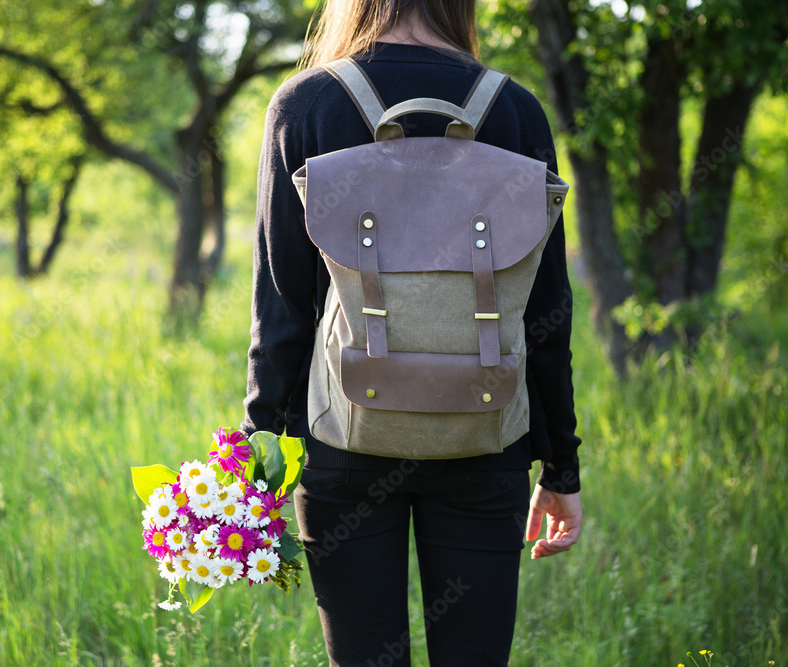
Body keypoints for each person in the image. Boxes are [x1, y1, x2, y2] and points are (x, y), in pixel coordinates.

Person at [241, 1, 583, 664]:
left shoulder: (305, 105)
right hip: (486, 442)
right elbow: (548, 312)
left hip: (344, 440)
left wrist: (259, 465)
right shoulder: (514, 109)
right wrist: (561, 465)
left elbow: (281, 304)